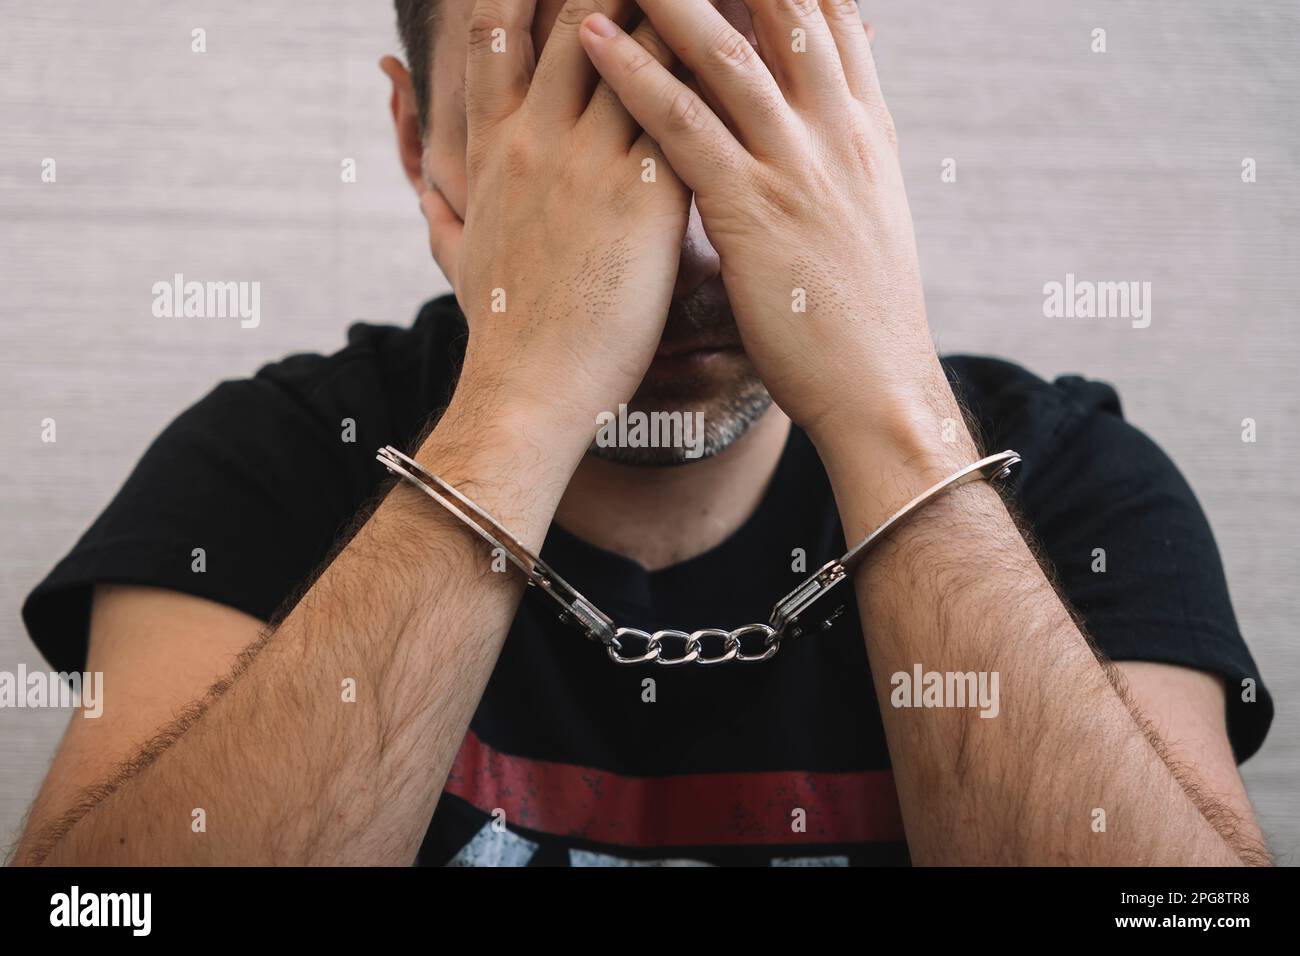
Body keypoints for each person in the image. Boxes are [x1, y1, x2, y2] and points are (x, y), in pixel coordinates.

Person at [15, 0, 1272, 867]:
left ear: (850, 121)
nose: (668, 245)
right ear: (417, 143)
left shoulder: (1068, 486)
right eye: (574, 115)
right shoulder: (272, 462)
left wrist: (886, 406)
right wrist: (523, 396)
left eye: (734, 96)